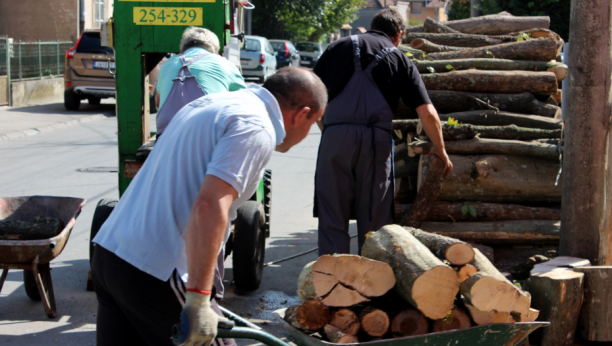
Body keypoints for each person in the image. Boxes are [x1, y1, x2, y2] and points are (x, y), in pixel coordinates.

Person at [92, 67, 327, 346]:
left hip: (110, 254)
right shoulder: (255, 127)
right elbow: (210, 205)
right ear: (302, 114)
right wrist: (199, 297)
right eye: (314, 123)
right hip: (157, 268)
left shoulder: (212, 103)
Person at [313, 9, 452, 256]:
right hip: (374, 143)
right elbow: (428, 113)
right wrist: (441, 151)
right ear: (398, 35)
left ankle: (331, 283)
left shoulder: (336, 47)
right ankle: (372, 286)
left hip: (334, 138)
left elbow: (311, 97)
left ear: (371, 26)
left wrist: (329, 131)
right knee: (374, 219)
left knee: (332, 212)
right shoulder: (399, 58)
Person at [155, 27, 246, 136]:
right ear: (215, 48)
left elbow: (158, 102)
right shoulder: (225, 64)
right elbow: (244, 102)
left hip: (166, 136)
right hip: (206, 136)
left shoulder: (167, 65)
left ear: (183, 47)